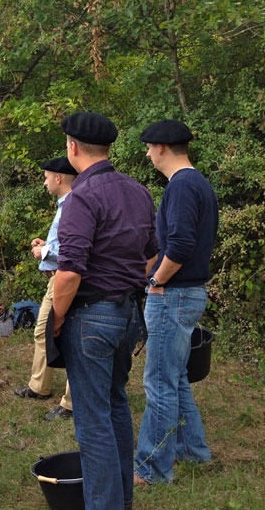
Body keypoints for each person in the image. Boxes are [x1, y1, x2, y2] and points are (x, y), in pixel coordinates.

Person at [50, 112, 158, 510]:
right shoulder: (138, 191)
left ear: (72, 147)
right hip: (128, 313)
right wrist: (123, 280)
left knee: (93, 421)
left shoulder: (81, 196)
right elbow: (152, 254)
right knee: (115, 406)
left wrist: (58, 317)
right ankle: (121, 500)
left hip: (91, 317)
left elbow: (69, 272)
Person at [133, 120, 217, 485]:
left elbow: (181, 245)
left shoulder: (181, 186)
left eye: (149, 148)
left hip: (174, 294)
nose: (147, 154)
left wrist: (156, 281)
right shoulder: (198, 183)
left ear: (162, 148)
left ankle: (151, 469)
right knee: (176, 377)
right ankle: (194, 452)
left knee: (159, 383)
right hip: (188, 292)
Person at [14, 157, 75, 421]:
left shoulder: (74, 205)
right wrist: (47, 245)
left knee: (70, 338)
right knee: (42, 331)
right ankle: (39, 386)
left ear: (58, 178)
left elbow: (75, 250)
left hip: (67, 278)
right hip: (56, 278)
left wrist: (45, 251)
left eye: (46, 177)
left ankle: (71, 403)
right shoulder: (65, 205)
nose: (44, 182)